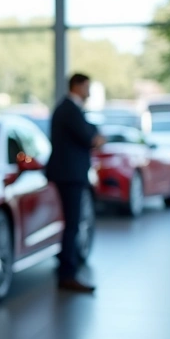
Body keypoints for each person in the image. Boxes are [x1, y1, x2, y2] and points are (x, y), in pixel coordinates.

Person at [46, 72, 103, 293]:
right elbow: (89, 135)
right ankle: (67, 274)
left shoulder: (69, 108)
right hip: (69, 175)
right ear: (77, 86)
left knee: (72, 223)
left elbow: (91, 130)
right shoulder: (69, 109)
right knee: (72, 224)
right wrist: (94, 137)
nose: (89, 92)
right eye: (87, 87)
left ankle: (67, 266)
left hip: (69, 174)